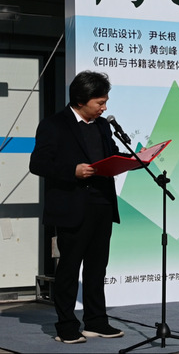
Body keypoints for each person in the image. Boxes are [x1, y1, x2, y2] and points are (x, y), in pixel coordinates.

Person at [30, 71, 127, 344]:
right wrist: (72, 171)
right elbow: (38, 164)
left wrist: (126, 161)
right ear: (81, 100)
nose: (104, 108)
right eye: (100, 102)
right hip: (72, 207)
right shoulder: (54, 125)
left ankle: (96, 321)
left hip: (102, 204)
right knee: (70, 268)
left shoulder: (103, 126)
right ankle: (66, 325)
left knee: (97, 268)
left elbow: (109, 154)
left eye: (105, 102)